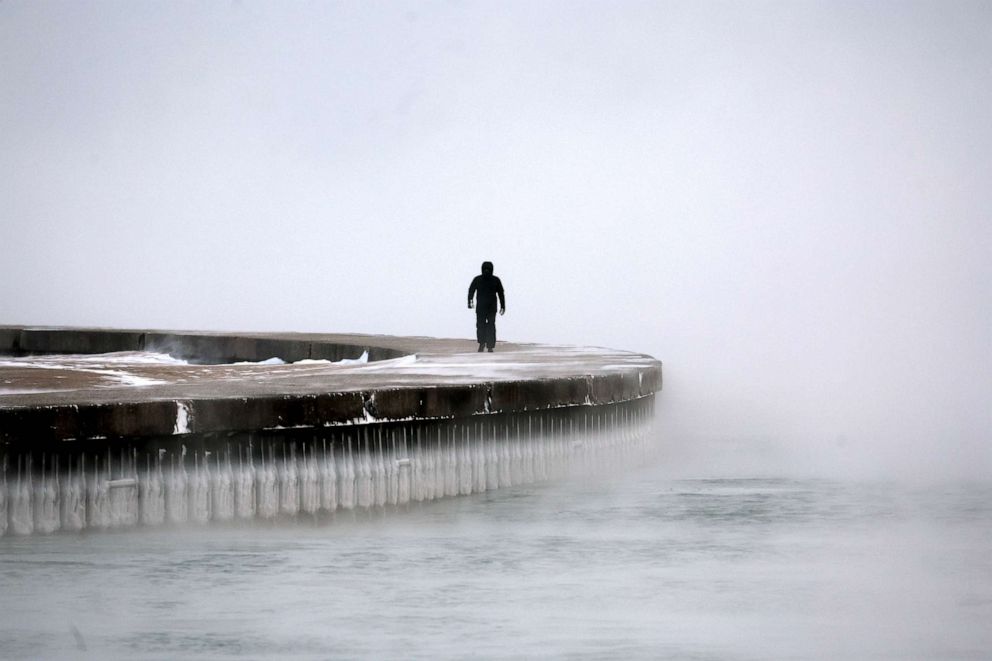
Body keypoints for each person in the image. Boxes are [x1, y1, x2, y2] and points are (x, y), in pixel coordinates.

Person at [467, 261, 506, 352]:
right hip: (482, 307)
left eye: (488, 269)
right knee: (482, 325)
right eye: (485, 269)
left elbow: (501, 294)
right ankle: (483, 344)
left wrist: (503, 306)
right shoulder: (478, 279)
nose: (487, 271)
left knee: (489, 325)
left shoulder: (495, 280)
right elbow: (471, 291)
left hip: (490, 307)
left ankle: (489, 346)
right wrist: (470, 301)